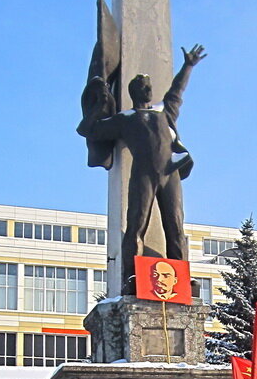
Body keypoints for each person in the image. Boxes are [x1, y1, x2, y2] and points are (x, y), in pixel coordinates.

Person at [88, 44, 206, 288]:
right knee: (136, 223)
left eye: (149, 86)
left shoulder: (164, 112)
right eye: (144, 86)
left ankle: (181, 277)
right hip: (143, 174)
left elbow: (176, 92)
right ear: (134, 91)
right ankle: (132, 276)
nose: (149, 90)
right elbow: (90, 130)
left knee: (175, 225)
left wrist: (188, 66)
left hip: (170, 172)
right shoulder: (125, 119)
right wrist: (98, 102)